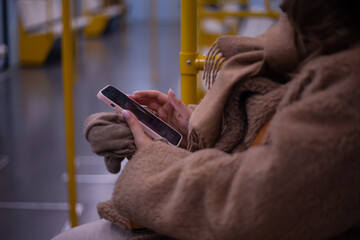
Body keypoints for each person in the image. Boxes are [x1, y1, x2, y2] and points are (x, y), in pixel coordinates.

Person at [52, 0, 360, 239]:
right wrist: (190, 133)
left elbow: (252, 201)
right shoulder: (315, 50)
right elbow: (270, 136)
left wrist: (155, 160)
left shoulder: (349, 88)